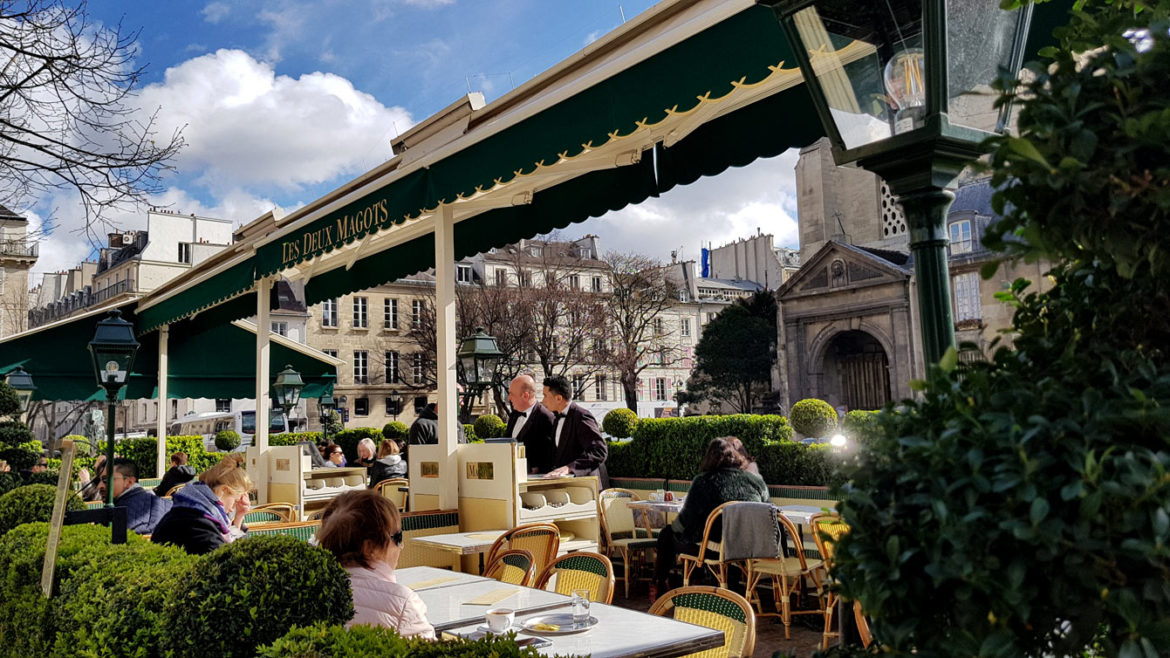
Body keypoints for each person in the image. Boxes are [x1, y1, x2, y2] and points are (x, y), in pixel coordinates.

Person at [653, 436, 769, 595]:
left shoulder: (703, 481)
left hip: (716, 549)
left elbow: (686, 519)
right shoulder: (755, 481)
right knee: (699, 534)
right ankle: (699, 580)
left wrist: (677, 528)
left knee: (667, 534)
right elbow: (766, 511)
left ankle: (659, 586)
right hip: (749, 549)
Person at [317, 489, 435, 639]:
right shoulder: (402, 603)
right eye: (397, 537)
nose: (401, 546)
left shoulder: (307, 590)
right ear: (369, 548)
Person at [152, 455, 252, 555]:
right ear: (223, 490)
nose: (232, 510)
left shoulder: (192, 509)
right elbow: (227, 559)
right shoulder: (199, 523)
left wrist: (239, 516)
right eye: (235, 501)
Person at [540, 375, 608, 481]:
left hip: (585, 486)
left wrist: (570, 468)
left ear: (558, 398)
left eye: (545, 396)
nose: (543, 401)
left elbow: (599, 451)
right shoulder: (556, 417)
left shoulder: (581, 416)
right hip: (564, 486)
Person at [98, 457, 172, 535]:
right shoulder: (170, 507)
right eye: (97, 481)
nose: (99, 486)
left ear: (129, 482)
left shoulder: (109, 518)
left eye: (106, 480)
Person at [504, 374, 556, 474]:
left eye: (511, 394)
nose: (509, 398)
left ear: (525, 396)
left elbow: (550, 455)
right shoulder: (514, 415)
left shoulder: (546, 417)